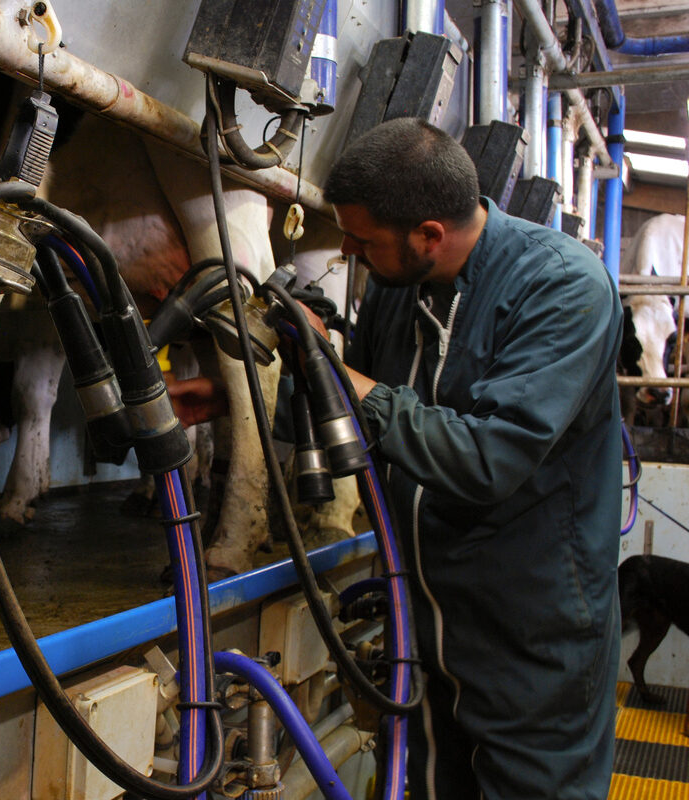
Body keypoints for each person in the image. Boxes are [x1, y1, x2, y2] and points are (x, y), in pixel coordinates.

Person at [177, 116, 623, 799]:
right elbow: (352, 405)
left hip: (533, 642)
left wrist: (353, 385)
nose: (348, 250)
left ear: (430, 236)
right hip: (425, 626)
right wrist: (239, 395)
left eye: (362, 239)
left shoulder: (563, 287)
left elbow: (488, 459)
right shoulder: (400, 291)